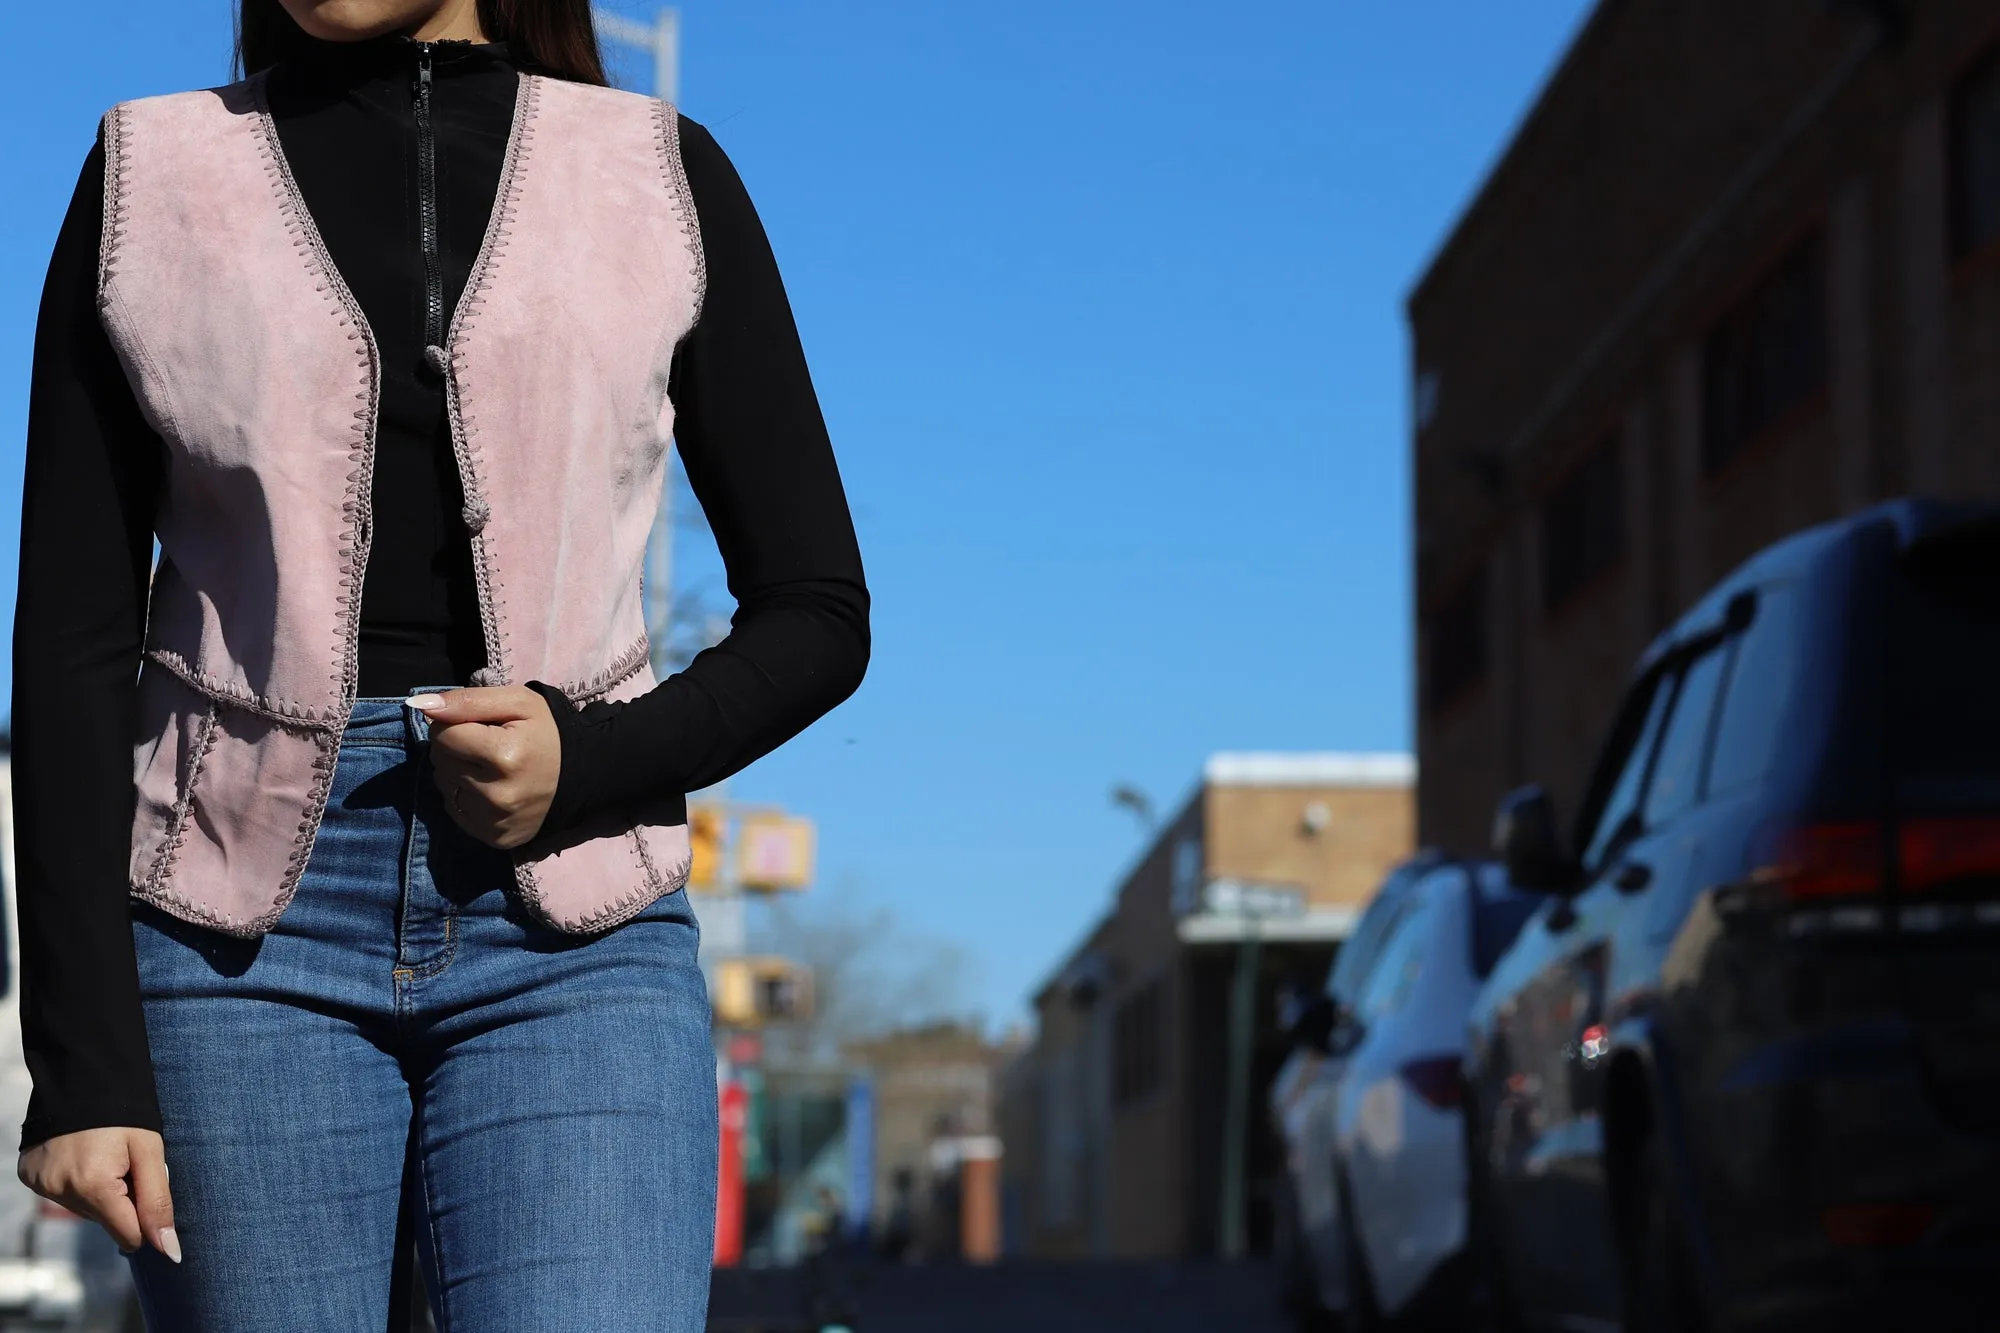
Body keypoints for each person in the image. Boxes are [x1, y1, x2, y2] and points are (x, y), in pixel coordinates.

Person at [11, 0, 869, 1327]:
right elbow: (70, 650)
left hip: (581, 938)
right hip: (233, 946)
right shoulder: (149, 172)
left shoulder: (657, 170)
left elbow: (817, 610)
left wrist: (593, 758)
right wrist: (85, 1068)